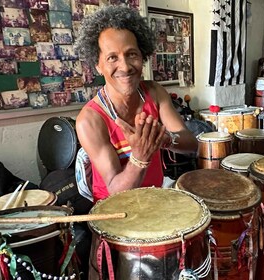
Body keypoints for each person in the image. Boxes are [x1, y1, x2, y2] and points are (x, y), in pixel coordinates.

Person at [74, 6, 197, 202]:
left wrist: (163, 139)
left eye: (132, 54)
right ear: (98, 65)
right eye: (112, 57)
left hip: (153, 200)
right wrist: (140, 155)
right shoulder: (89, 120)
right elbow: (116, 192)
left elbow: (191, 144)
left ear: (143, 56)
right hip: (115, 215)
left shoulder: (154, 92)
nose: (125, 66)